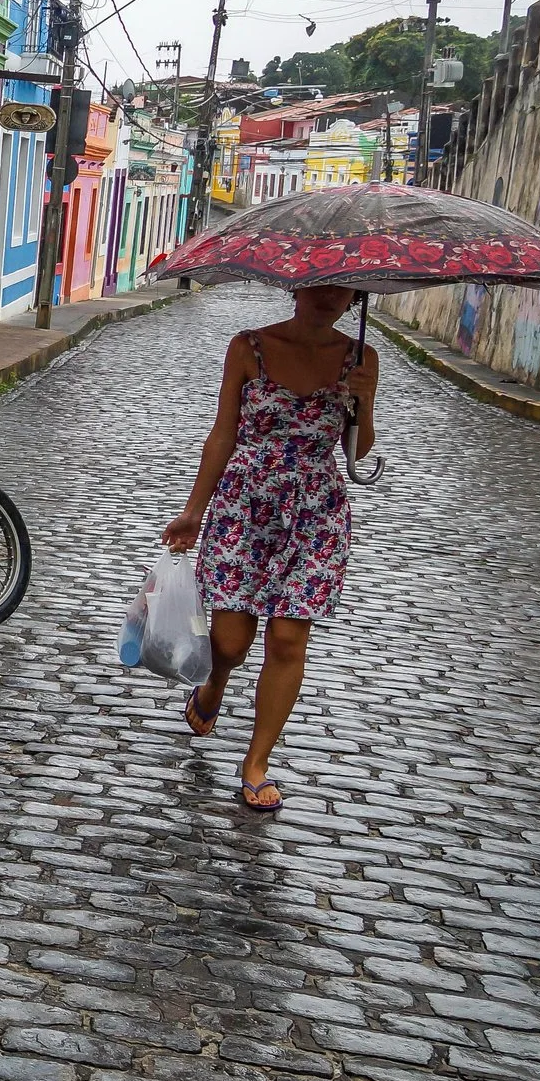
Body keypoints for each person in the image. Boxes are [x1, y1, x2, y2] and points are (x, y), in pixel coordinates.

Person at [159, 286, 377, 811]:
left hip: (317, 513)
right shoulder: (248, 347)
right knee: (230, 642)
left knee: (287, 639)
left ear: (355, 295)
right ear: (297, 286)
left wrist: (364, 402)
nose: (329, 297)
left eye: (342, 288)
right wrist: (193, 510)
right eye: (320, 285)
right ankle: (215, 683)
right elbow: (222, 435)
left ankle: (256, 763)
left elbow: (359, 452)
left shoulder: (360, 358)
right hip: (244, 506)